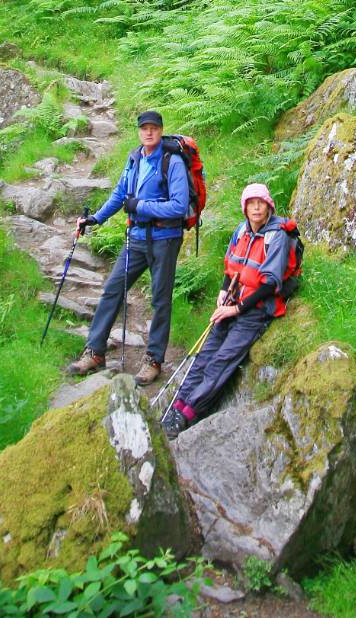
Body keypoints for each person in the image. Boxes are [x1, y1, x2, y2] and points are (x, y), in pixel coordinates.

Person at [161, 183, 291, 439]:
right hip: (232, 303)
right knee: (204, 355)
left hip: (254, 311)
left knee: (221, 362)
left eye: (260, 203)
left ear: (269, 206)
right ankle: (175, 406)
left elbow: (270, 284)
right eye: (251, 203)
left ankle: (187, 414)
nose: (256, 207)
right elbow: (232, 268)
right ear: (245, 207)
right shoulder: (242, 231)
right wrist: (223, 292)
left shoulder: (278, 237)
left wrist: (236, 310)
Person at [68, 110, 189, 385]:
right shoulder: (134, 159)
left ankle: (154, 360)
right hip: (135, 238)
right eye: (144, 128)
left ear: (161, 130)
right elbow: (120, 194)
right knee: (113, 289)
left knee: (160, 300)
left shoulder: (174, 162)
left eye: (154, 128)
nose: (149, 132)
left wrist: (141, 207)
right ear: (138, 131)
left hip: (164, 239)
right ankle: (95, 351)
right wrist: (95, 218)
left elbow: (179, 205)